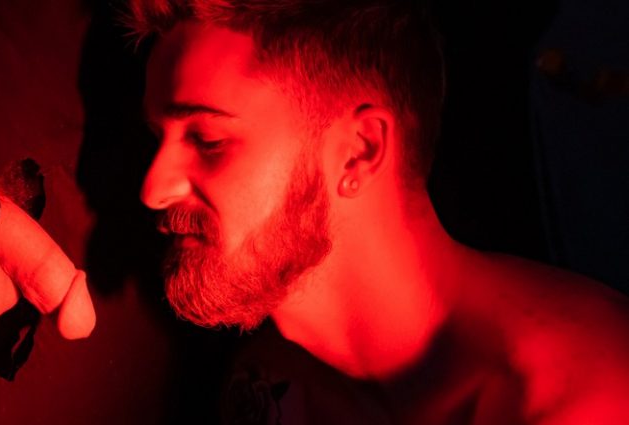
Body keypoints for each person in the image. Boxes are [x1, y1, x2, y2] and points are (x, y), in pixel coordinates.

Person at [125, 0, 629, 423]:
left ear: (359, 151)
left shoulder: (580, 402)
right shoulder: (270, 381)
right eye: (157, 139)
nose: (153, 189)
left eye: (207, 139)